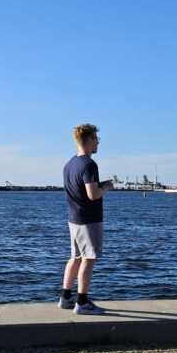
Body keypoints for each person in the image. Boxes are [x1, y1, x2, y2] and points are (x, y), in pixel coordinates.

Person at [60, 123, 113, 315]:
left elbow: (81, 189)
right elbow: (93, 195)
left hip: (74, 218)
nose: (98, 143)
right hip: (89, 219)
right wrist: (107, 187)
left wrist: (99, 185)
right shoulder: (90, 164)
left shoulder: (70, 164)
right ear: (89, 140)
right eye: (96, 139)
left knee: (75, 257)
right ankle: (82, 302)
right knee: (89, 258)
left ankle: (66, 298)